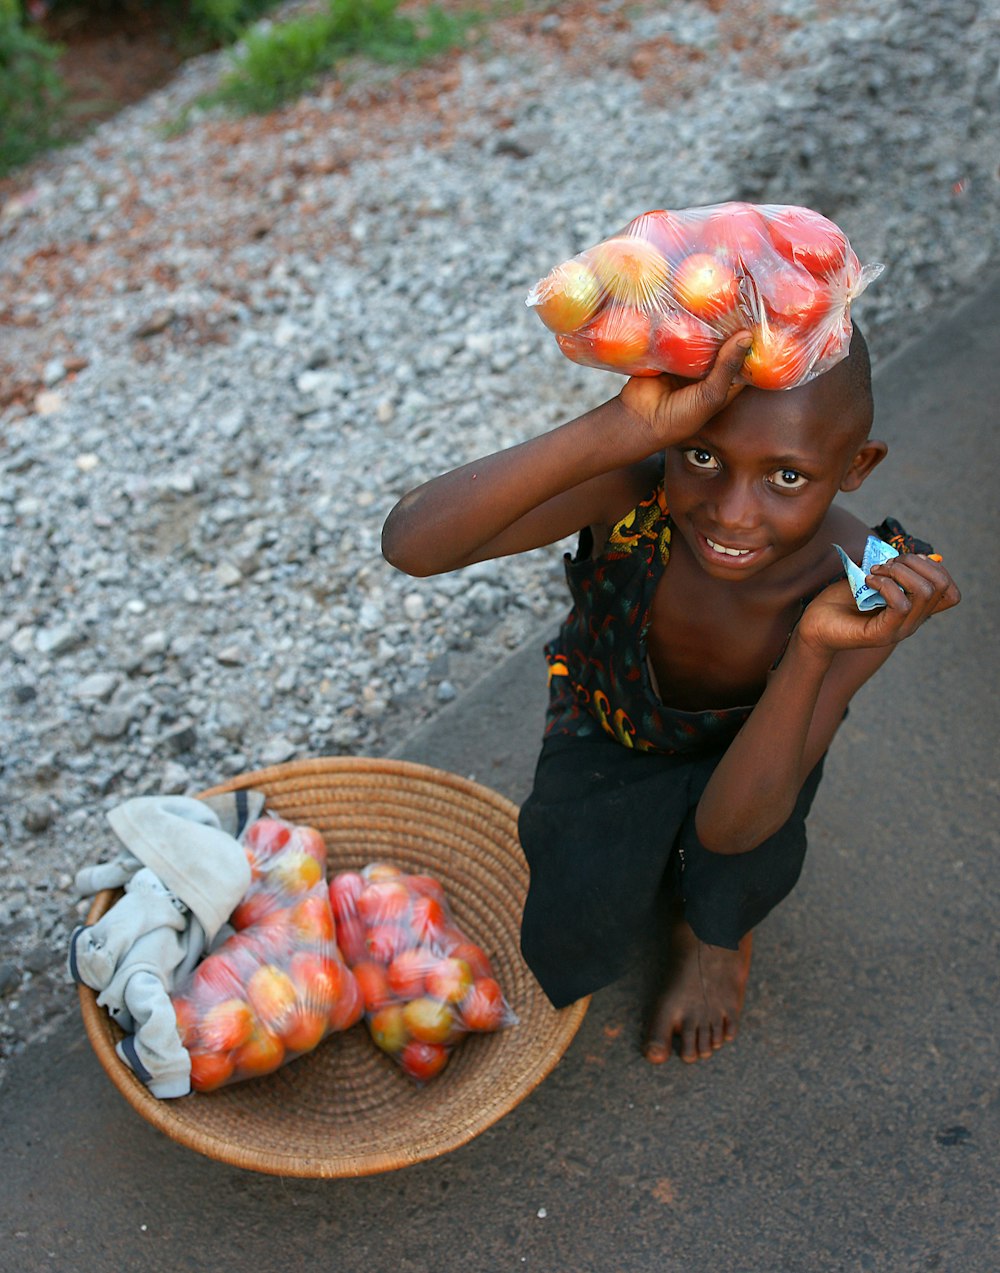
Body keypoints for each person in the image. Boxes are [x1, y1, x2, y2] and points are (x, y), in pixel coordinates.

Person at [380, 326, 960, 1065]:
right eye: (704, 456)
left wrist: (813, 649)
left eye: (787, 477)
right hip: (607, 719)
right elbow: (412, 544)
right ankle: (660, 901)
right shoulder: (632, 489)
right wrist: (617, 430)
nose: (733, 513)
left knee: (742, 862)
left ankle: (713, 936)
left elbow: (730, 828)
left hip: (765, 739)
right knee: (582, 889)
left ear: (856, 465)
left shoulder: (867, 585)